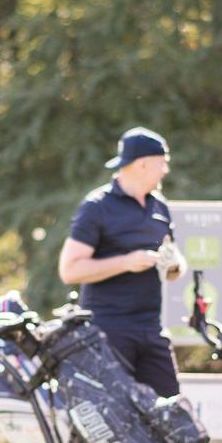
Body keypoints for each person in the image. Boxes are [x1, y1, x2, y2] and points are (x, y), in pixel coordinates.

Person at [58, 127, 186, 399]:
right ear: (142, 164)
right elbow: (69, 270)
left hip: (151, 328)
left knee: (171, 411)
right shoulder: (97, 206)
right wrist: (127, 262)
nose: (165, 170)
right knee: (115, 415)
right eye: (162, 163)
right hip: (107, 331)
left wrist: (174, 264)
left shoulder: (160, 207)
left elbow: (173, 266)